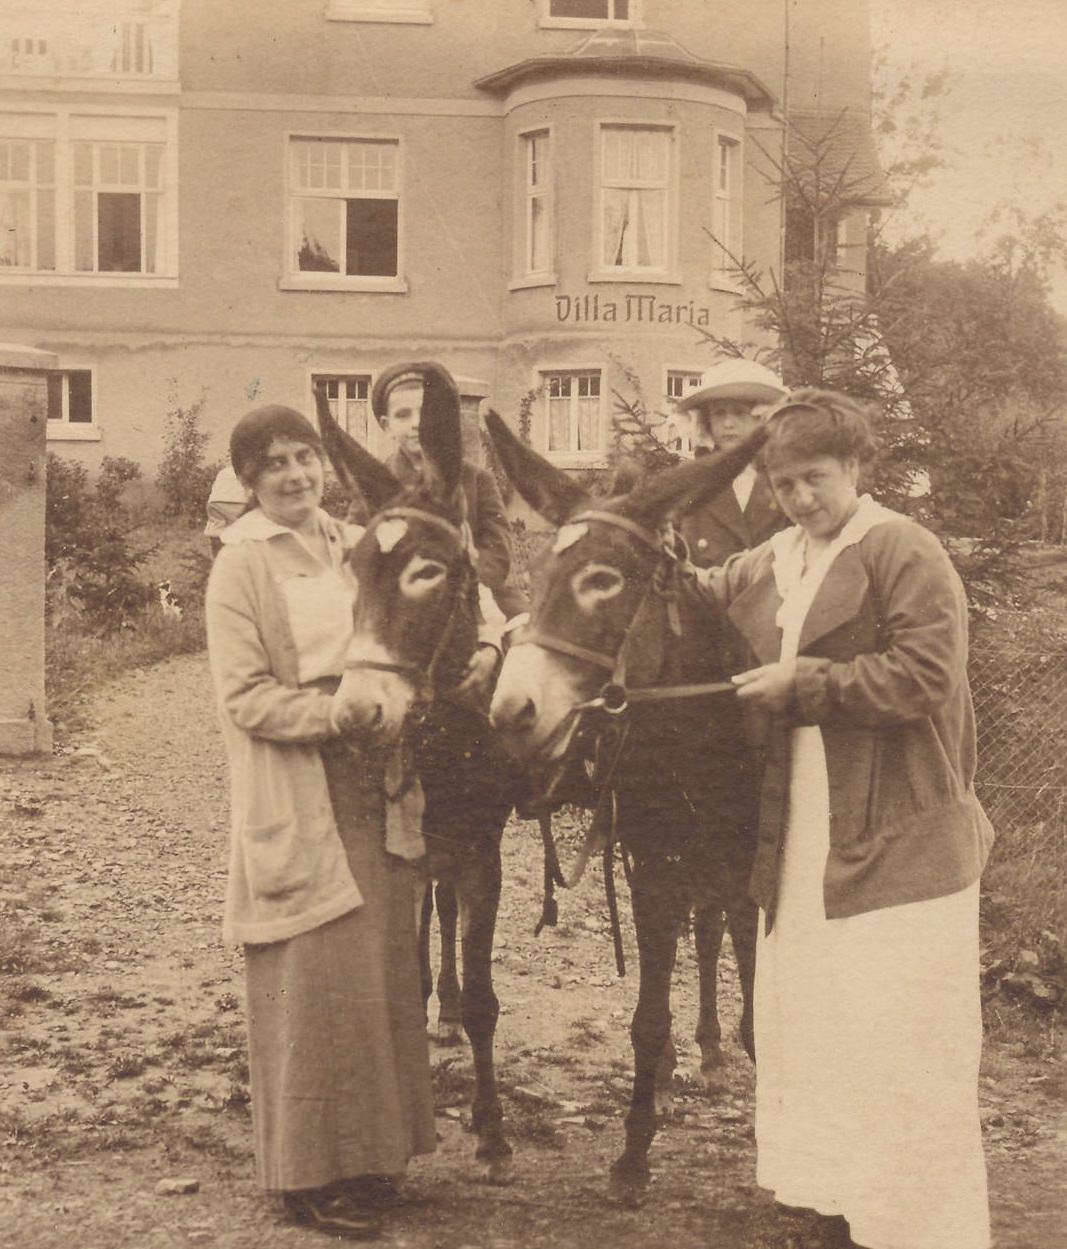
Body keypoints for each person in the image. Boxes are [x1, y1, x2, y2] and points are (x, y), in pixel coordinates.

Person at [691, 388, 993, 1249]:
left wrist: (808, 686)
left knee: (893, 1032)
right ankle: (836, 1204)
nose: (799, 499)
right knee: (817, 1025)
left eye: (815, 479)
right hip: (801, 836)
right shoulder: (774, 557)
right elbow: (702, 592)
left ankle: (908, 1224)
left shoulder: (901, 547)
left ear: (855, 468)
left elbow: (925, 674)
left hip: (896, 834)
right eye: (783, 484)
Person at [205, 404, 446, 1239]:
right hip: (302, 784)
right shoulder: (241, 566)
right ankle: (306, 1177)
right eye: (275, 463)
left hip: (374, 780)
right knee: (311, 981)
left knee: (377, 973)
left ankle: (372, 1159)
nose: (297, 474)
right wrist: (333, 715)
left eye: (306, 457)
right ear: (249, 480)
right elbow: (243, 697)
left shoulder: (353, 544)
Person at [672, 358, 789, 1068]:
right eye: (717, 414)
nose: (729, 424)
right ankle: (708, 1013)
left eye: (744, 411)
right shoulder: (691, 497)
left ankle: (762, 1010)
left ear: (766, 419)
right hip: (710, 679)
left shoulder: (788, 488)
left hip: (775, 665)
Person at [356, 362, 528, 625]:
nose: (417, 424)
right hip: (398, 597)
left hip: (473, 591)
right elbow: (357, 544)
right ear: (386, 425)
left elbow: (498, 550)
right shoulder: (375, 483)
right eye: (403, 415)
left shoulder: (476, 478)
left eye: (426, 413)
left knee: (526, 646)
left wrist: (460, 578)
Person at [203, 462, 247, 556]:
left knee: (217, 528)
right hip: (239, 503)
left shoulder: (224, 472)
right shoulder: (252, 471)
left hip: (216, 503)